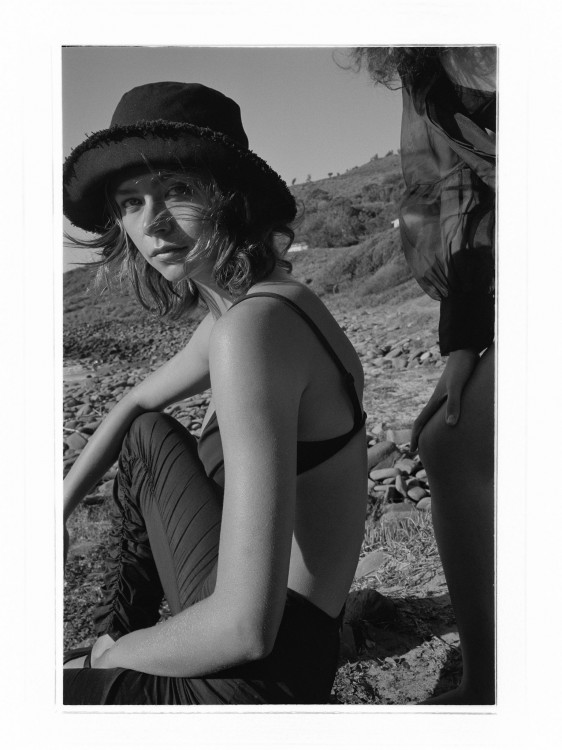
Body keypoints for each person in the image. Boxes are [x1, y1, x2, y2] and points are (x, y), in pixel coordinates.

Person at [62, 81, 368, 705]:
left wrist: (110, 658)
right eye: (131, 202)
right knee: (146, 433)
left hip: (257, 678)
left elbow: (244, 630)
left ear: (232, 197)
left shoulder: (251, 332)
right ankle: (119, 633)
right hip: (292, 638)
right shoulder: (263, 306)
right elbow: (135, 405)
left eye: (177, 190)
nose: (152, 223)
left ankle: (112, 648)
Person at [352, 47, 496, 704]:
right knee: (446, 438)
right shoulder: (423, 70)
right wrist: (463, 342)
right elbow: (450, 192)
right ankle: (489, 683)